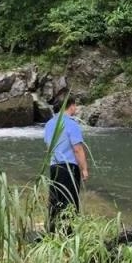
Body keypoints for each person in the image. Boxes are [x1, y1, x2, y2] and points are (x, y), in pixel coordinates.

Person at [43, 98, 89, 234]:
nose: (76, 108)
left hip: (54, 166)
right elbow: (77, 149)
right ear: (71, 106)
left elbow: (48, 146)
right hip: (68, 167)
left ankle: (51, 231)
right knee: (70, 200)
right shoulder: (71, 124)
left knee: (55, 199)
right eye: (75, 105)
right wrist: (84, 169)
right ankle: (68, 233)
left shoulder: (49, 124)